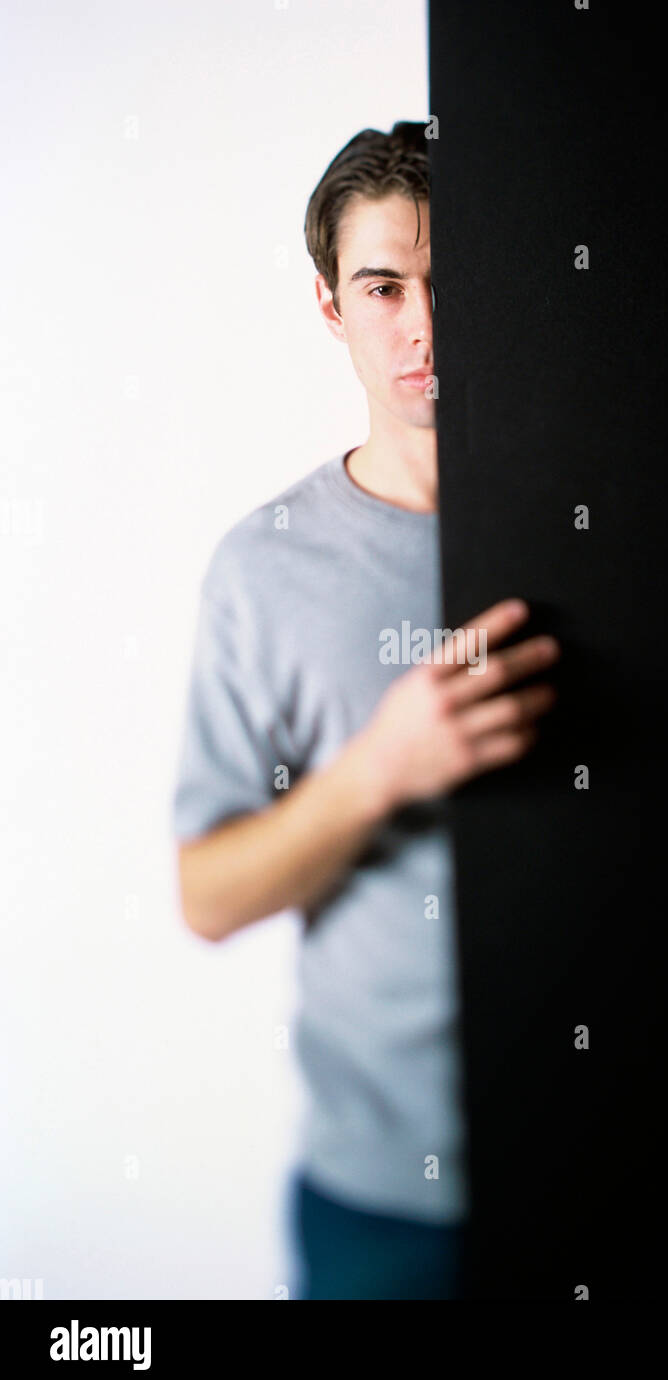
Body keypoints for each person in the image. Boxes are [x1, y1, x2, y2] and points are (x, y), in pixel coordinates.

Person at [171, 121, 560, 1299]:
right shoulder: (262, 567)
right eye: (384, 286)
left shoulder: (616, 526)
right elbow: (207, 893)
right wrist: (377, 770)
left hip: (621, 1148)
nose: (424, 325)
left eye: (452, 282)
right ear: (333, 310)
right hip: (383, 1205)